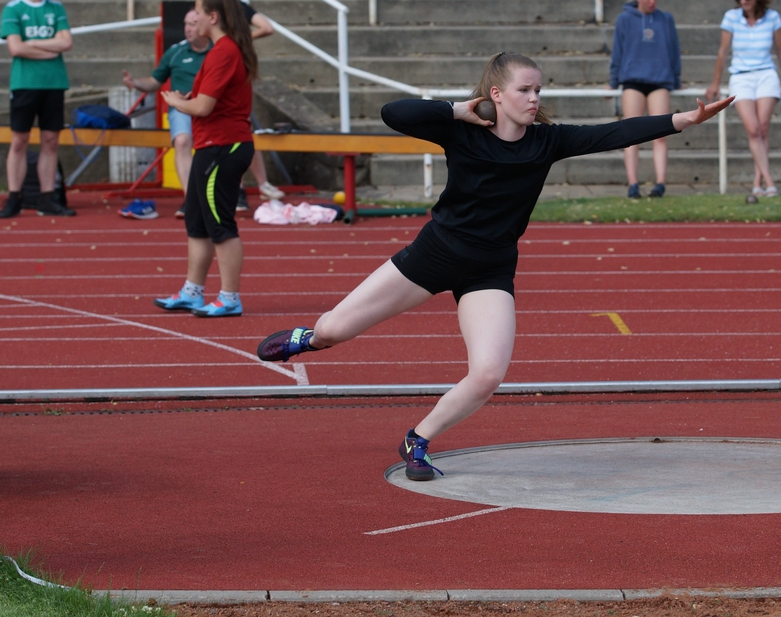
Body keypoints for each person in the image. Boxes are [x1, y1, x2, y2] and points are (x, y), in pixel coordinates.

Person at [256, 52, 733, 481]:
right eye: (525, 89)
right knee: (334, 331)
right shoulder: (461, 131)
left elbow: (616, 132)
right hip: (433, 255)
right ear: (496, 95)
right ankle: (309, 339)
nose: (535, 98)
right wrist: (455, 110)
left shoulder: (547, 142)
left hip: (490, 270)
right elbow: (393, 113)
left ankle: (418, 439)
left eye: (538, 90)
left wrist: (686, 118)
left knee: (488, 372)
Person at [153, 0, 257, 318]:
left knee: (220, 224)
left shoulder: (223, 52)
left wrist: (176, 101)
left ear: (212, 17)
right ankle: (192, 291)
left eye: (197, 12)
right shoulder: (221, 50)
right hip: (211, 146)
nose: (193, 19)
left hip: (223, 147)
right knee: (197, 221)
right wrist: (188, 100)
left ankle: (230, 297)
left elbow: (203, 107)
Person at [705, 0, 781, 198]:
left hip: (766, 74)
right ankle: (768, 181)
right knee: (753, 129)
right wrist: (715, 82)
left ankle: (758, 181)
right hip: (740, 76)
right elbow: (723, 51)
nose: (743, 1)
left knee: (763, 128)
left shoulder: (772, 17)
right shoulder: (731, 17)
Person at [205, 0, 283, 212]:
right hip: (220, 70)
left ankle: (252, 185)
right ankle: (246, 187)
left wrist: (239, 40)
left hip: (232, 71)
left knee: (238, 129)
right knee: (233, 130)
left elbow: (267, 27)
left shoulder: (237, 8)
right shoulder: (212, 12)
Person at [0, 0, 74, 218]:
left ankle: (47, 198)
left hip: (54, 83)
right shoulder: (13, 9)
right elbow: (16, 48)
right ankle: (14, 197)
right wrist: (49, 50)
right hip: (25, 83)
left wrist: (31, 43)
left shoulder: (56, 8)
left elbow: (66, 42)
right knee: (19, 140)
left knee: (51, 140)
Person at [122, 9, 211, 218]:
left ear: (205, 25)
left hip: (210, 107)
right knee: (182, 141)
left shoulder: (218, 51)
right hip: (182, 108)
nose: (188, 29)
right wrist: (135, 82)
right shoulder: (176, 52)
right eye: (186, 24)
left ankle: (234, 193)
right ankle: (192, 199)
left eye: (193, 24)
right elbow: (155, 81)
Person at [608, 0, 681, 199]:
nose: (652, 1)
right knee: (631, 134)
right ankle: (633, 184)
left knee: (660, 134)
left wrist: (676, 78)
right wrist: (613, 81)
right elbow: (618, 51)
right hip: (633, 81)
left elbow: (674, 50)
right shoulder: (625, 19)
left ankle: (660, 183)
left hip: (659, 81)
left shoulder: (665, 19)